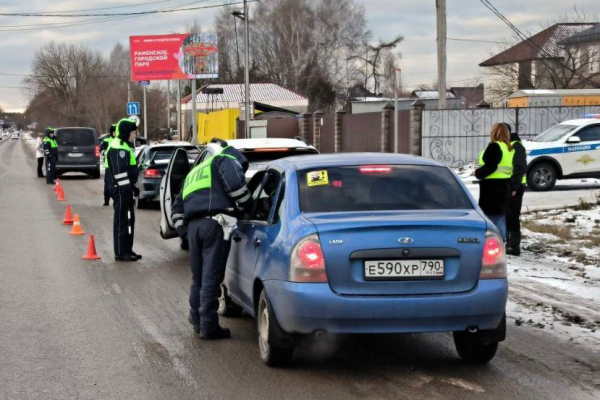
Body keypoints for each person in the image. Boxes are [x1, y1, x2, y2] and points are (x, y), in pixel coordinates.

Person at [172, 139, 252, 340]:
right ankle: (208, 325)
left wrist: (183, 231)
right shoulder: (225, 159)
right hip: (214, 225)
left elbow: (177, 206)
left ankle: (197, 320)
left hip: (193, 228)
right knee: (211, 278)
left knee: (198, 278)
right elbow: (236, 186)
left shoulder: (194, 173)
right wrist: (250, 207)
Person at [105, 118, 141, 262]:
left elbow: (129, 170)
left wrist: (132, 188)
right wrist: (127, 190)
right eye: (133, 132)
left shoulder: (125, 146)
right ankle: (120, 252)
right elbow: (120, 173)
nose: (134, 135)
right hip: (120, 190)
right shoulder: (118, 147)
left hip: (126, 189)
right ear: (126, 132)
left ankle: (128, 249)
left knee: (129, 220)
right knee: (122, 221)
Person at [475, 123, 515, 240]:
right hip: (505, 186)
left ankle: (494, 243)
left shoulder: (494, 147)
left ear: (494, 133)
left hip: (492, 189)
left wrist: (477, 173)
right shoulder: (508, 148)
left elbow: (490, 167)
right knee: (500, 217)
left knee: (492, 219)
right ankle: (501, 242)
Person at [506, 123, 527, 256]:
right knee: (508, 215)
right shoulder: (509, 146)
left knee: (513, 215)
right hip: (509, 185)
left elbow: (519, 168)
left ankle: (514, 246)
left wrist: (514, 186)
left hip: (516, 187)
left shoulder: (516, 146)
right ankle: (509, 242)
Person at [101, 125, 117, 206]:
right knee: (107, 184)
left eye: (116, 132)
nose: (115, 133)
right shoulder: (106, 140)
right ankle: (106, 200)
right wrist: (107, 153)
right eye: (114, 132)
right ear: (111, 132)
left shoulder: (119, 140)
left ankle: (116, 199)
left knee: (115, 184)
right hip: (108, 166)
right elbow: (102, 150)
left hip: (117, 166)